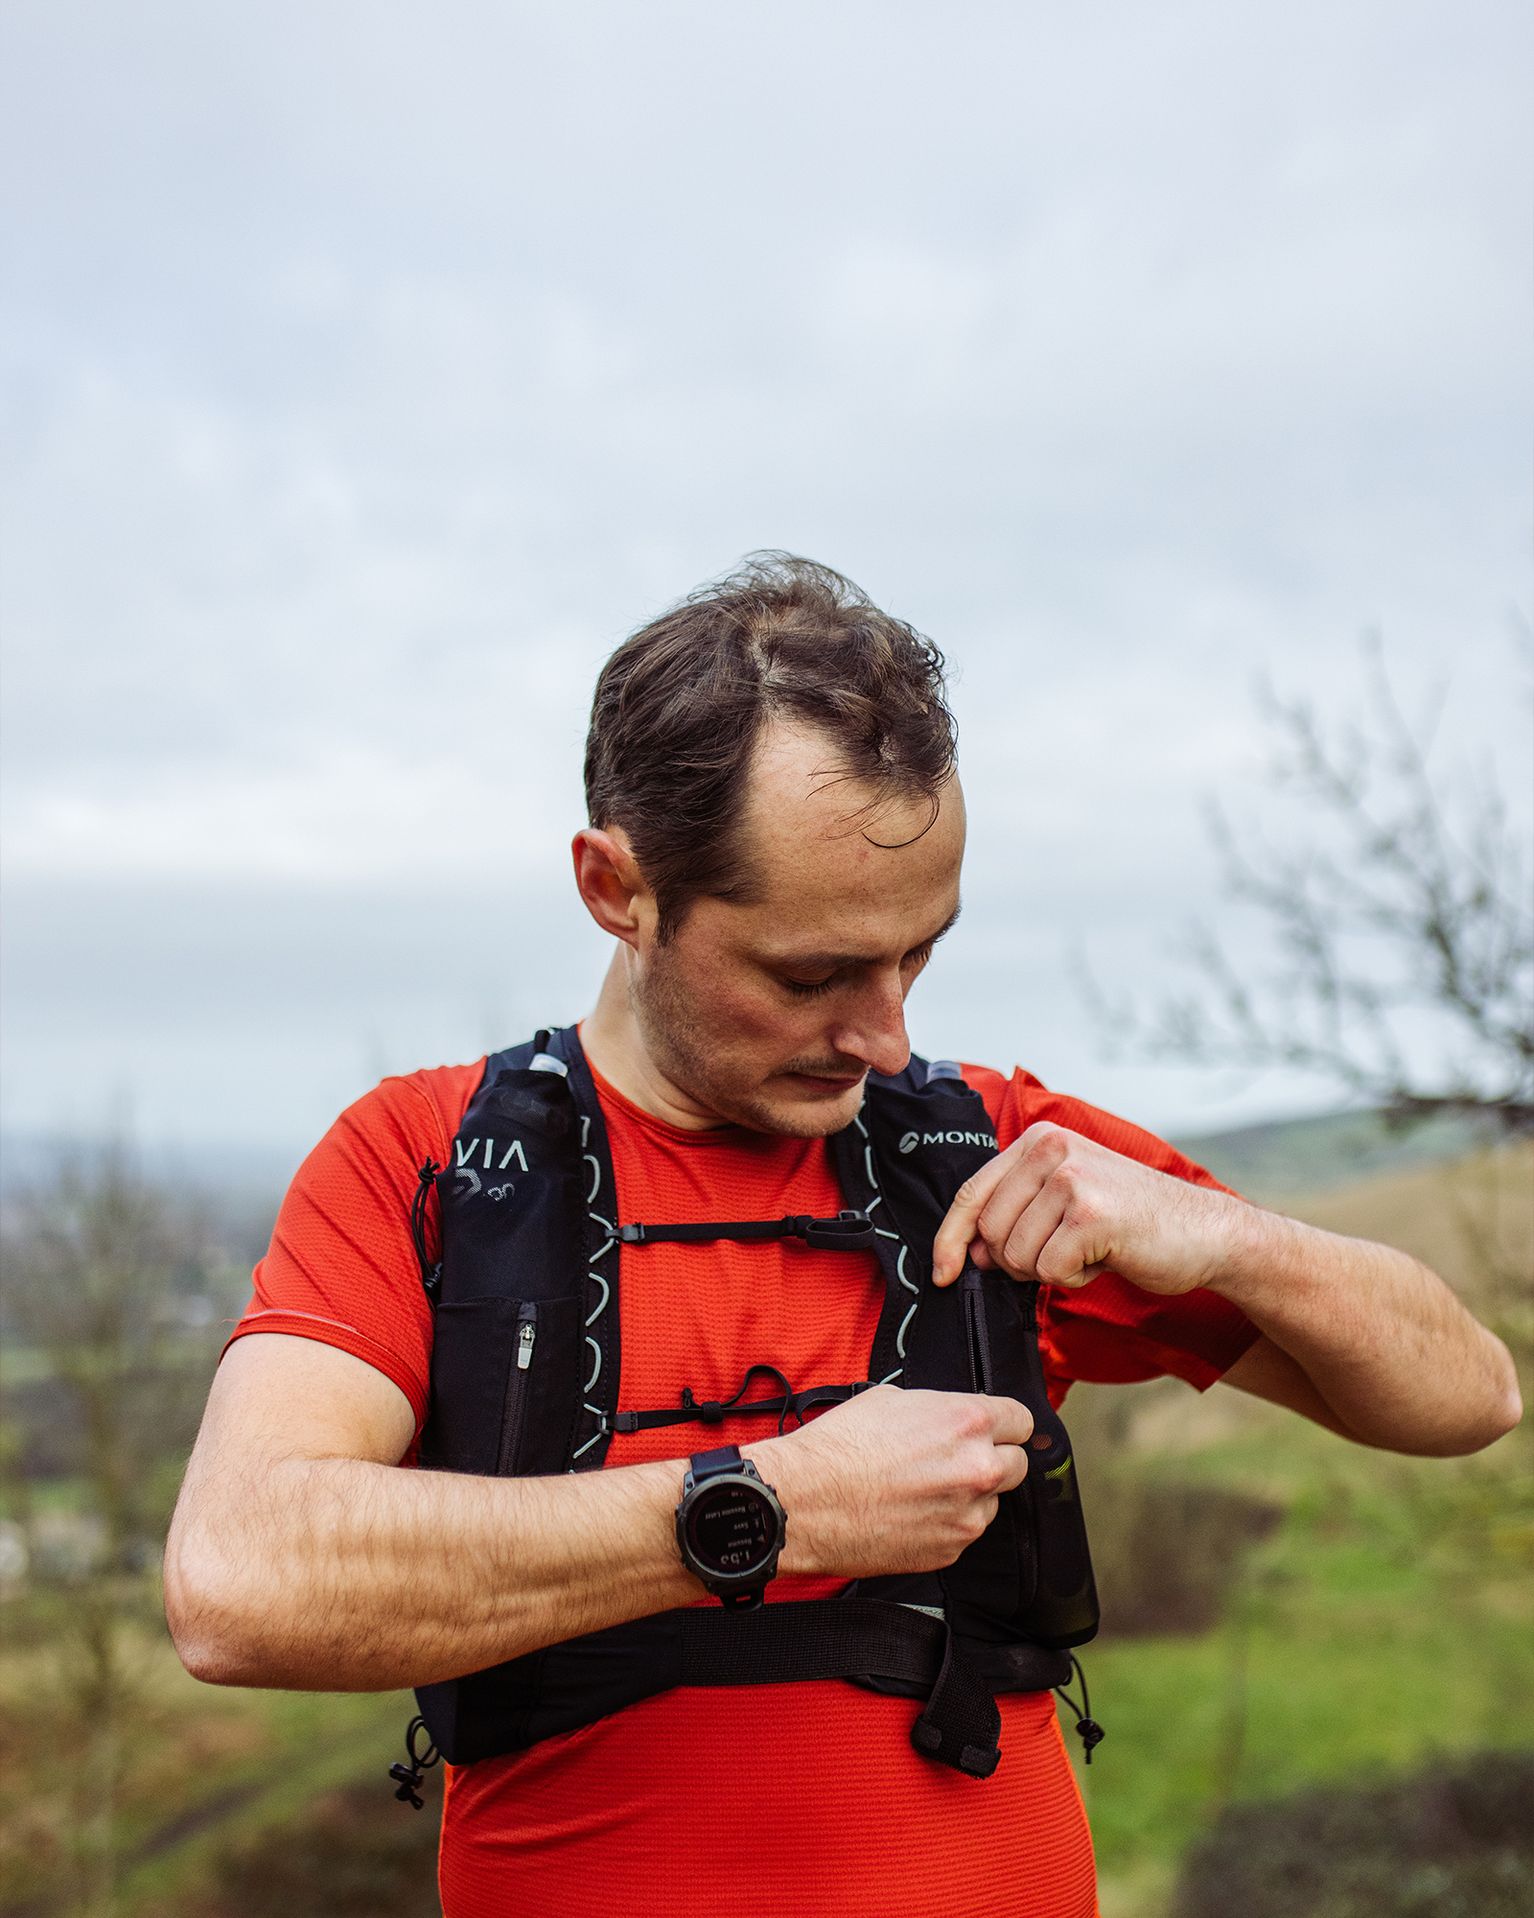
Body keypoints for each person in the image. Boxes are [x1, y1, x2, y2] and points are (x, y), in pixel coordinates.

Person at [165, 554, 1521, 1918]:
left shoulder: (996, 1155)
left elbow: (1466, 1398)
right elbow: (237, 1581)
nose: (886, 1035)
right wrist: (762, 1508)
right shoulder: (435, 1161)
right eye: (810, 973)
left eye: (917, 952)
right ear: (615, 887)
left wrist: (1226, 1236)